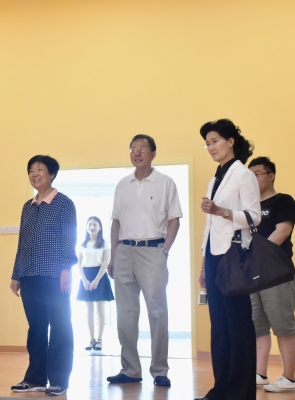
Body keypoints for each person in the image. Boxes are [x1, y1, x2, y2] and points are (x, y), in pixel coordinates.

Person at [106, 134, 182, 388]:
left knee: (157, 312)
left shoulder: (165, 182)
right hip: (124, 251)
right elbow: (116, 222)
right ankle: (130, 369)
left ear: (153, 154)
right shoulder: (122, 184)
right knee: (125, 314)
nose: (137, 153)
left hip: (153, 250)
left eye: (142, 148)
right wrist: (113, 254)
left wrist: (165, 251)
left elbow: (174, 220)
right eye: (133, 149)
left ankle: (160, 369)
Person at [195, 119, 261, 400]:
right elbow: (209, 226)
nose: (211, 147)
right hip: (214, 256)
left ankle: (240, 393)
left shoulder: (243, 174)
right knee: (220, 328)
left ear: (230, 141)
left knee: (238, 326)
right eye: (207, 144)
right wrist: (203, 264)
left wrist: (221, 211)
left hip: (235, 256)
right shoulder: (215, 178)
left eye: (215, 141)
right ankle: (221, 389)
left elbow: (254, 218)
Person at [10, 155, 77, 397]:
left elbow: (69, 237)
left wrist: (66, 269)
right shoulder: (27, 207)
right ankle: (35, 379)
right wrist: (16, 274)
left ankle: (59, 381)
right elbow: (22, 243)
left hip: (54, 276)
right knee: (36, 328)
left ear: (52, 175)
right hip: (29, 275)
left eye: (40, 169)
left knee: (60, 327)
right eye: (31, 170)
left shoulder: (64, 203)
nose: (34, 174)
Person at [248, 157, 295, 393]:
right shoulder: (248, 206)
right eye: (250, 175)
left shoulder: (283, 201)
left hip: (277, 273)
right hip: (252, 275)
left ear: (271, 176)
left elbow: (283, 230)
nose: (253, 179)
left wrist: (258, 254)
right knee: (258, 327)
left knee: (283, 326)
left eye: (257, 174)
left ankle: (289, 378)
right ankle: (260, 374)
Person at [76, 216, 114, 351]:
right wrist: (84, 280)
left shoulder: (105, 243)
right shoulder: (82, 244)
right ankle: (91, 339)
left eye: (95, 225)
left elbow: (106, 262)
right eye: (90, 224)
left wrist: (97, 280)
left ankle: (99, 340)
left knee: (100, 309)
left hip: (100, 275)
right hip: (86, 275)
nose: (92, 227)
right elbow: (79, 264)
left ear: (100, 228)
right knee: (89, 309)